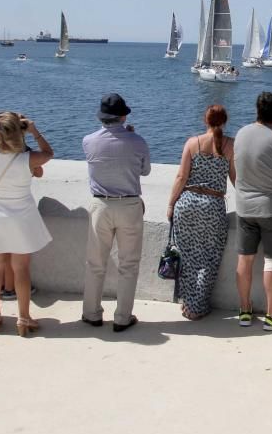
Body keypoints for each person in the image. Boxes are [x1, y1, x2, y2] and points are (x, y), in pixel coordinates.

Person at [0, 112, 53, 335]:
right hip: (21, 217)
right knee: (21, 269)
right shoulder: (28, 159)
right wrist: (33, 131)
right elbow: (48, 153)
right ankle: (23, 319)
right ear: (18, 132)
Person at [81, 93, 151, 333]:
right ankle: (122, 317)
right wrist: (131, 136)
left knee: (95, 263)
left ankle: (91, 313)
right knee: (128, 264)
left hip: (101, 205)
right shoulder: (138, 141)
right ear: (123, 116)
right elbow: (145, 171)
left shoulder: (88, 141)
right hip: (129, 205)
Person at [233, 92, 272, 330]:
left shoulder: (240, 134)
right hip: (271, 210)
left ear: (256, 109)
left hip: (244, 208)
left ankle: (245, 310)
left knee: (244, 260)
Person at [166, 105, 236, 320]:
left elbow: (181, 177)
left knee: (186, 255)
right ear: (225, 121)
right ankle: (197, 307)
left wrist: (171, 204)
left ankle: (188, 304)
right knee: (209, 257)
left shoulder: (192, 143)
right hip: (212, 205)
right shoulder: (230, 145)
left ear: (205, 120)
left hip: (187, 203)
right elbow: (235, 179)